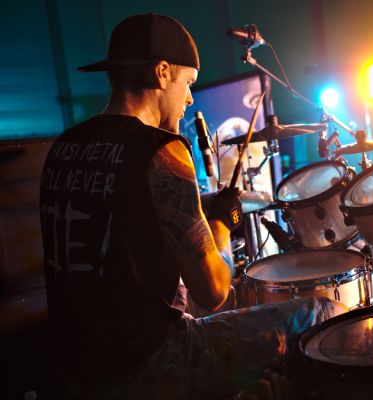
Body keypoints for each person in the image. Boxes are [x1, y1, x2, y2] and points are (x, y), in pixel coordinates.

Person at [40, 14, 345, 399]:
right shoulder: (162, 150)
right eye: (188, 83)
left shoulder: (65, 147)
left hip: (75, 369)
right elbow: (213, 290)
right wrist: (221, 223)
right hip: (145, 366)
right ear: (162, 73)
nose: (188, 99)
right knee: (323, 314)